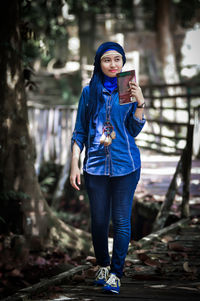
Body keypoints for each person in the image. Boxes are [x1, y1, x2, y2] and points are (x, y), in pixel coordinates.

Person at [70, 41, 146, 294]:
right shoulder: (89, 92)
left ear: (123, 62)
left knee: (121, 221)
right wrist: (74, 164)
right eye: (107, 60)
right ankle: (103, 265)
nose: (113, 65)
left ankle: (116, 273)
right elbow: (80, 131)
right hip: (95, 167)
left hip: (126, 165)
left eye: (117, 59)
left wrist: (140, 104)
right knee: (100, 221)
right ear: (99, 64)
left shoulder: (128, 89)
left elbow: (133, 130)